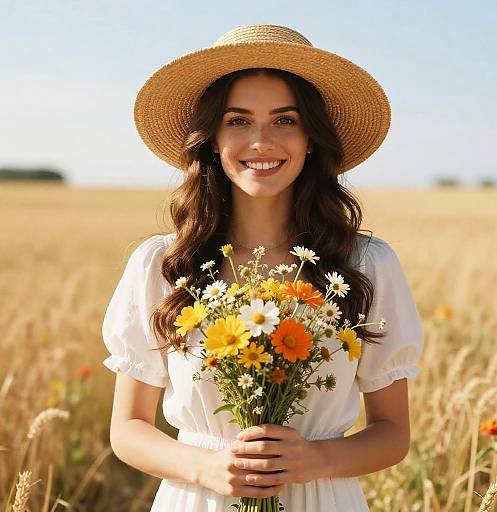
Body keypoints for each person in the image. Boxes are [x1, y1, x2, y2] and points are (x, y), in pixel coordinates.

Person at [101, 23, 424, 511]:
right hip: (198, 498)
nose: (261, 141)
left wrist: (317, 460)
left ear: (311, 138)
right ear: (211, 138)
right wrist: (205, 466)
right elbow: (127, 429)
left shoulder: (366, 265)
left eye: (285, 120)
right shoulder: (163, 264)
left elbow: (392, 433)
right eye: (237, 121)